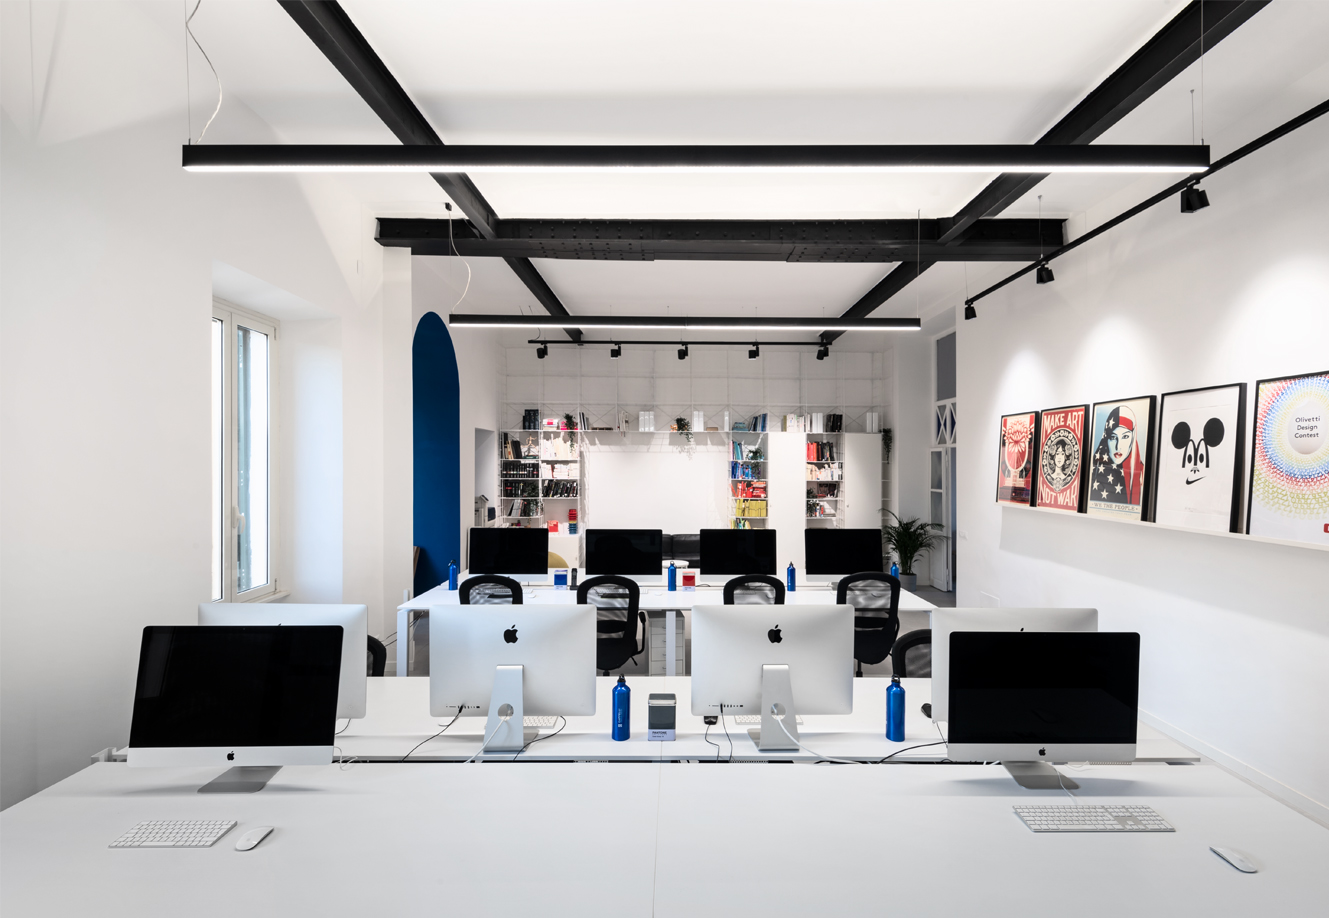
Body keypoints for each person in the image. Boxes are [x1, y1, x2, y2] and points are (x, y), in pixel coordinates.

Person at [1090, 405, 1144, 506]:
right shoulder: (1094, 471)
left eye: (1125, 436)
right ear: (1106, 438)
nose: (1118, 446)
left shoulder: (1142, 473)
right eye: (1113, 437)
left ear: (1133, 437)